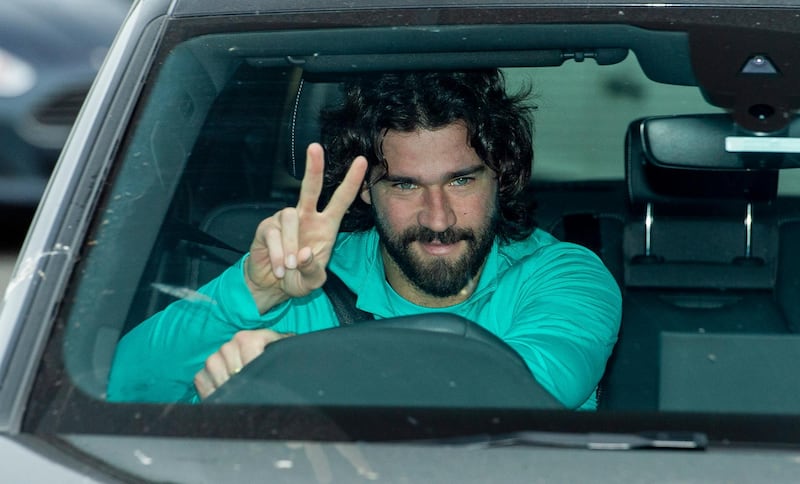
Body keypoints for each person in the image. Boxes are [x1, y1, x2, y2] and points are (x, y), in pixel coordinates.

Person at [107, 70, 621, 410]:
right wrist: (249, 292)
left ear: (501, 177)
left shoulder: (564, 276)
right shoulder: (304, 279)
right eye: (404, 185)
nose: (438, 218)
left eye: (462, 180)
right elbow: (121, 389)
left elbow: (523, 394)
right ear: (366, 195)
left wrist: (305, 366)